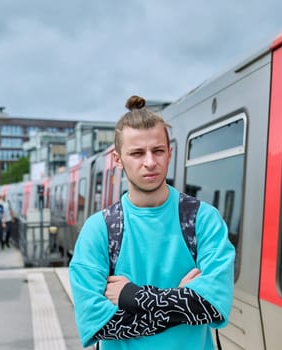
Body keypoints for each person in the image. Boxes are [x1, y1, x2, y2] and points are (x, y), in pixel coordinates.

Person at [69, 96, 235, 349]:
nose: (150, 162)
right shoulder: (99, 230)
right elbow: (98, 324)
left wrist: (133, 296)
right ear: (118, 159)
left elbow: (212, 307)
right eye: (137, 153)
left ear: (170, 153)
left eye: (158, 150)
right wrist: (180, 300)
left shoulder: (203, 219)